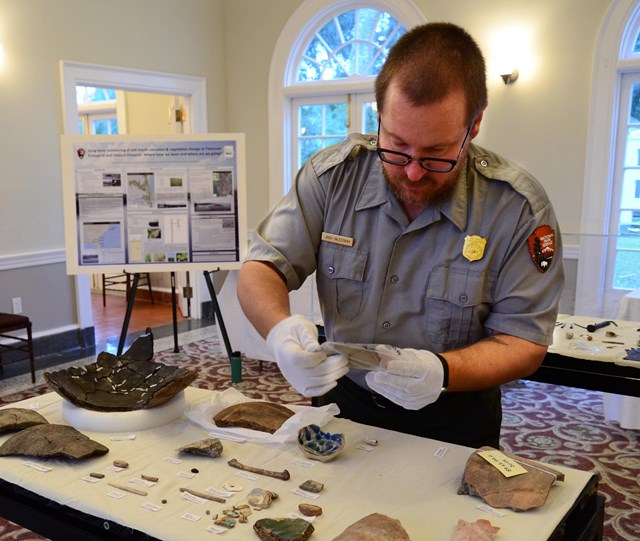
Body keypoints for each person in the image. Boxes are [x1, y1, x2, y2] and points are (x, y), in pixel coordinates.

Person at [237, 22, 564, 449]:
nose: (412, 171)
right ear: (380, 116)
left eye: (436, 153)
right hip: (342, 404)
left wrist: (443, 372)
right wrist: (279, 333)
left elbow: (523, 342)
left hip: (455, 416)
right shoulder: (332, 178)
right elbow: (262, 268)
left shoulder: (517, 208)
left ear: (475, 126)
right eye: (396, 145)